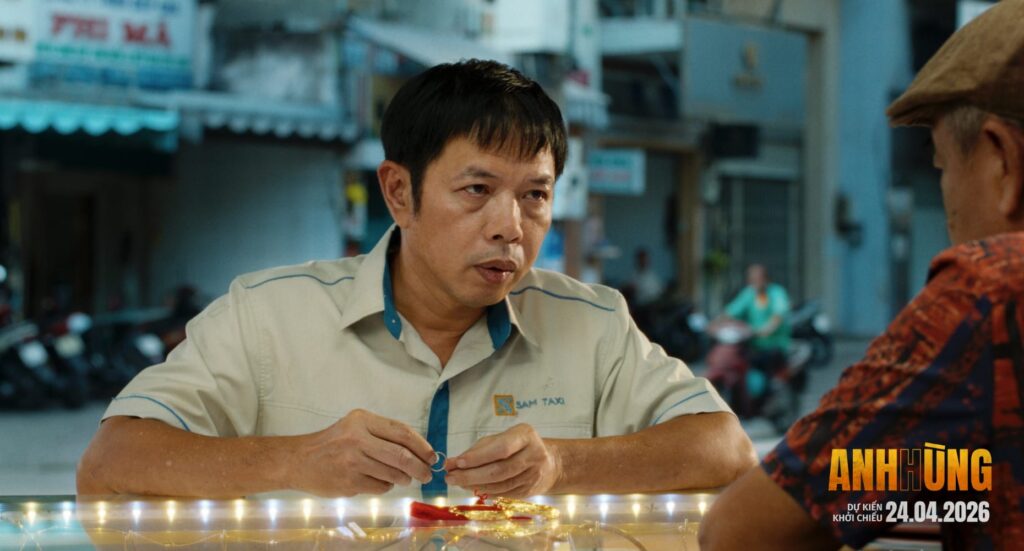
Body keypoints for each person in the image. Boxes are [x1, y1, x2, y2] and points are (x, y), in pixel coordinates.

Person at [78, 59, 755, 500]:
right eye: (477, 189)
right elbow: (110, 466)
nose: (510, 227)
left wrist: (563, 464)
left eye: (535, 195)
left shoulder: (591, 323)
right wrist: (294, 461)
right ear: (400, 192)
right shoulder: (267, 316)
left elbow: (726, 450)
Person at [701, 2, 1024, 549]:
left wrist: (915, 488)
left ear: (1002, 161)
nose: (947, 202)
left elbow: (741, 531)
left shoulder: (989, 291)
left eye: (943, 167)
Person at [722, 263, 791, 376]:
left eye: (757, 279)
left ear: (766, 279)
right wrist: (715, 324)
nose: (754, 282)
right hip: (752, 344)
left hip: (774, 344)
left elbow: (778, 315)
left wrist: (766, 329)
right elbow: (731, 311)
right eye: (751, 279)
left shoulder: (776, 292)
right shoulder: (749, 293)